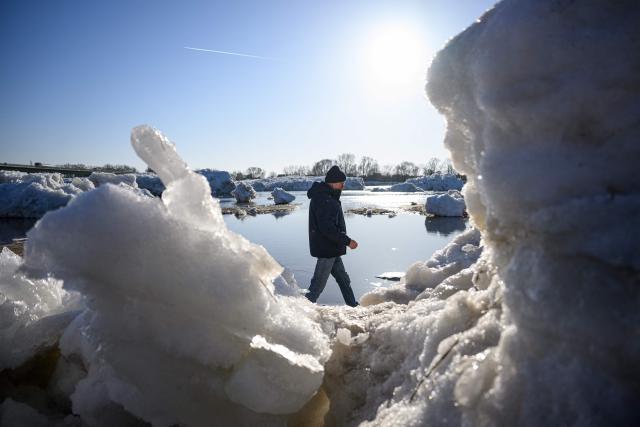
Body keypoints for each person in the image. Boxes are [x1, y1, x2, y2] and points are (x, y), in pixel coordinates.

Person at [305, 165, 359, 307]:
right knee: (317, 286)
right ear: (333, 183)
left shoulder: (327, 196)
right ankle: (301, 313)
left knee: (343, 279)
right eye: (342, 183)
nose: (343, 186)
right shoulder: (325, 199)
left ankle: (353, 305)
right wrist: (348, 241)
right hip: (327, 250)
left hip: (332, 248)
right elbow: (327, 229)